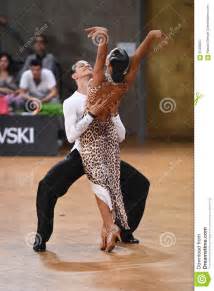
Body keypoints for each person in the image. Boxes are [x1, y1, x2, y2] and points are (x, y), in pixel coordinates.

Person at [33, 60, 150, 252]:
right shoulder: (71, 102)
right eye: (81, 65)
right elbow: (71, 136)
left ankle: (123, 230)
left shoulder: (105, 94)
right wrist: (91, 115)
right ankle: (41, 236)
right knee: (46, 187)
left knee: (140, 185)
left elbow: (120, 136)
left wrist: (114, 114)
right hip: (81, 154)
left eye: (89, 64)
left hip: (104, 156)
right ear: (75, 76)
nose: (86, 65)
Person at [78, 26, 167, 252]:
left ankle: (112, 229)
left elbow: (100, 55)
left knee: (100, 187)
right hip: (109, 137)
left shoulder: (98, 80)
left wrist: (105, 36)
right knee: (112, 187)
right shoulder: (124, 83)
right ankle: (108, 231)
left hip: (91, 138)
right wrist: (150, 36)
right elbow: (138, 57)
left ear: (108, 64)